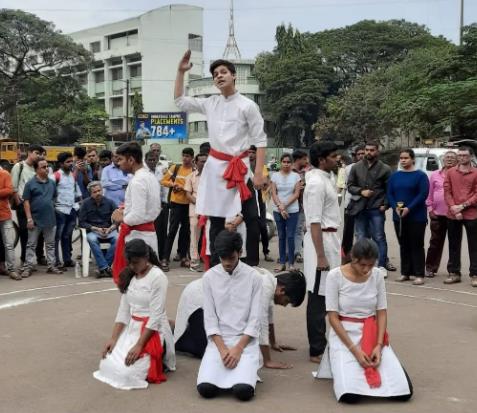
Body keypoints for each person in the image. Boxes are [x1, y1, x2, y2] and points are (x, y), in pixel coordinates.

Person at [175, 51, 266, 267]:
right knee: (215, 220)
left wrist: (260, 172)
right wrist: (180, 72)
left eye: (223, 72)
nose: (219, 76)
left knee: (252, 216)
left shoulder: (248, 105)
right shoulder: (210, 103)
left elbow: (260, 140)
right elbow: (179, 100)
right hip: (216, 169)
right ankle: (215, 266)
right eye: (215, 74)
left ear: (234, 76)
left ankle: (251, 263)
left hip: (240, 168)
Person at [317, 239, 413, 403]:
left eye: (370, 265)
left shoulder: (376, 275)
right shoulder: (335, 276)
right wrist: (354, 350)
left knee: (403, 392)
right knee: (351, 396)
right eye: (362, 265)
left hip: (371, 332)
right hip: (344, 335)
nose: (366, 269)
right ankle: (340, 366)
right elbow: (333, 317)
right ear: (352, 258)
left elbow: (381, 311)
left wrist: (379, 345)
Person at [174, 267, 306, 367]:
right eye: (287, 301)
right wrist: (268, 361)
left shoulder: (270, 282)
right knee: (210, 352)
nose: (284, 305)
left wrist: (274, 343)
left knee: (227, 345)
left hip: (213, 307)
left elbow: (268, 316)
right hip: (199, 300)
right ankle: (175, 331)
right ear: (281, 290)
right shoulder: (264, 286)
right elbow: (262, 323)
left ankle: (183, 328)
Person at [93, 239, 175, 390]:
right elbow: (123, 310)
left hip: (152, 331)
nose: (132, 266)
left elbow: (156, 316)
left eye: (135, 262)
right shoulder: (130, 275)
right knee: (106, 364)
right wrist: (113, 338)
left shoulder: (158, 277)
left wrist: (139, 345)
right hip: (132, 329)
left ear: (146, 257)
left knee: (126, 374)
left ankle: (164, 347)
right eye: (129, 263)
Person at [196, 230, 262, 401]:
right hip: (219, 342)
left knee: (243, 392)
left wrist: (238, 349)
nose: (226, 263)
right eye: (222, 258)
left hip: (245, 342)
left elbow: (255, 320)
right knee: (206, 389)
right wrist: (223, 349)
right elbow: (210, 319)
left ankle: (248, 371)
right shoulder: (209, 277)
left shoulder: (254, 277)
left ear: (240, 253)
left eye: (231, 258)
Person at [303, 141, 341, 364]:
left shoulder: (328, 178)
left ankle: (328, 341)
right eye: (333, 156)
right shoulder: (316, 183)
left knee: (331, 292)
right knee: (318, 295)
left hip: (331, 239)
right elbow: (314, 222)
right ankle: (316, 349)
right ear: (321, 160)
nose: (337, 159)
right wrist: (320, 256)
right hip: (321, 242)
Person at [111, 143, 161, 282]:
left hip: (137, 238)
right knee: (147, 281)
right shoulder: (150, 177)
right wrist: (126, 210)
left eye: (120, 159)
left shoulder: (138, 181)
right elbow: (153, 209)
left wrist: (122, 218)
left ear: (131, 160)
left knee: (136, 283)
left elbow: (137, 215)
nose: (118, 163)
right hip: (147, 235)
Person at [347, 142, 392, 277]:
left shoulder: (385, 168)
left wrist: (386, 204)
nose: (368, 152)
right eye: (367, 150)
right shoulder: (356, 167)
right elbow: (350, 186)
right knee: (361, 238)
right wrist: (361, 191)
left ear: (377, 152)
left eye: (372, 150)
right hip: (360, 208)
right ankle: (361, 265)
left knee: (379, 237)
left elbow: (389, 189)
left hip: (377, 208)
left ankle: (382, 265)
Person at [387, 149, 429, 285]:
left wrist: (409, 208)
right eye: (401, 158)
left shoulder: (420, 176)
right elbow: (390, 193)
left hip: (416, 216)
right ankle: (405, 272)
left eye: (406, 158)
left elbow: (422, 195)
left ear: (413, 159)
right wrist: (395, 207)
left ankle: (419, 274)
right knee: (403, 244)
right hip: (398, 216)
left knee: (416, 245)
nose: (403, 160)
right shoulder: (395, 176)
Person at [21, 159, 62, 277]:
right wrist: (29, 218)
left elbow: (54, 197)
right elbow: (26, 202)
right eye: (44, 167)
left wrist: (49, 206)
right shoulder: (30, 184)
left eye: (47, 166)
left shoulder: (52, 183)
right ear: (37, 169)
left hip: (50, 219)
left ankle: (51, 266)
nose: (47, 168)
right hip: (35, 219)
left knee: (50, 244)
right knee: (31, 244)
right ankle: (28, 267)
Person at [443, 146, 477, 287]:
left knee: (474, 246)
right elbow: (447, 191)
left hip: (472, 214)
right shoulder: (450, 172)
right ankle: (454, 273)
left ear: (471, 157)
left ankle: (475, 275)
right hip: (453, 214)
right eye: (460, 155)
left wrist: (462, 206)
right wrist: (453, 208)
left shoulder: (476, 173)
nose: (462, 157)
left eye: (464, 155)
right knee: (453, 245)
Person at [11, 144, 47, 266]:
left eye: (41, 154)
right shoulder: (19, 166)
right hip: (23, 205)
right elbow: (14, 187)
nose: (39, 156)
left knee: (40, 233)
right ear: (29, 152)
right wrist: (18, 203)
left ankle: (40, 256)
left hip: (38, 206)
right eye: (37, 153)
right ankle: (25, 259)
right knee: (25, 233)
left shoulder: (38, 168)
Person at [160, 147, 194, 271]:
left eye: (188, 156)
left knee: (186, 232)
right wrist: (173, 184)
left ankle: (184, 258)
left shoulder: (194, 170)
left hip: (189, 204)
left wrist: (184, 188)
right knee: (172, 230)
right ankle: (165, 259)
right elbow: (163, 181)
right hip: (176, 204)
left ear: (192, 158)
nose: (185, 158)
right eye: (183, 155)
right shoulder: (175, 168)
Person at [425, 151, 458, 278]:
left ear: (457, 161)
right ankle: (430, 268)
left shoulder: (458, 175)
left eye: (452, 157)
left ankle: (452, 270)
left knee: (454, 243)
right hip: (437, 214)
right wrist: (430, 209)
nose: (449, 159)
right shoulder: (434, 175)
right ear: (443, 160)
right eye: (447, 157)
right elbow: (429, 194)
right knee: (435, 243)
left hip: (453, 214)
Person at [78, 181, 118, 277]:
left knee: (118, 239)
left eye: (99, 191)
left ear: (102, 190)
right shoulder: (85, 204)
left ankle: (103, 268)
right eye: (94, 192)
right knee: (91, 239)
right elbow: (81, 222)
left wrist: (111, 229)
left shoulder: (110, 202)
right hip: (93, 231)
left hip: (108, 230)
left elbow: (118, 220)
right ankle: (106, 268)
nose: (98, 193)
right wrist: (95, 228)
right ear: (90, 193)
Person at [271, 153, 302, 272]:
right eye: (284, 162)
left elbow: (296, 194)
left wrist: (285, 205)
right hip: (278, 210)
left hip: (292, 211)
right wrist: (280, 206)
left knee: (290, 236)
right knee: (281, 236)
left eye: (288, 162)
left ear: (292, 163)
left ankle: (291, 264)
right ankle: (282, 262)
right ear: (280, 162)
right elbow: (274, 193)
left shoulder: (296, 176)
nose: (286, 164)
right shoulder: (275, 176)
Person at [53, 152, 80, 269]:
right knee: (57, 237)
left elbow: (75, 192)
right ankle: (56, 261)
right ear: (60, 164)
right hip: (60, 210)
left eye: (71, 161)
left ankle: (67, 260)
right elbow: (51, 194)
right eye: (67, 162)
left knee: (67, 236)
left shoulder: (72, 176)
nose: (70, 164)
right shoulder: (55, 176)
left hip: (72, 209)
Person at [143, 151, 169, 263]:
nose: (153, 162)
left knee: (162, 232)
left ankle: (162, 257)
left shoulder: (160, 172)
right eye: (150, 159)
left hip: (160, 206)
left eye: (155, 159)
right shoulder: (143, 173)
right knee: (150, 232)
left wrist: (164, 202)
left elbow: (164, 188)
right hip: (147, 207)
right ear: (146, 160)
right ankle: (150, 257)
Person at [249, 145, 273, 262]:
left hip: (260, 199)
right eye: (249, 152)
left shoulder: (261, 167)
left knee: (262, 226)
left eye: (253, 152)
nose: (251, 155)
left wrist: (263, 185)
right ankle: (250, 254)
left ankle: (266, 252)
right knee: (251, 228)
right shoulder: (244, 166)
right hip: (248, 199)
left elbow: (266, 183)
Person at [341, 145, 365, 263]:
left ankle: (363, 255)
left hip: (365, 204)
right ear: (355, 156)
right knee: (348, 232)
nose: (361, 155)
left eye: (363, 153)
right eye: (359, 153)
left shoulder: (370, 168)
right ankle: (346, 256)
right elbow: (347, 187)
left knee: (362, 232)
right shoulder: (348, 168)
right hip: (350, 204)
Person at [185, 152, 208, 270]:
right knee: (194, 236)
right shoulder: (191, 176)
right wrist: (200, 206)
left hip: (210, 210)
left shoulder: (213, 177)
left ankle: (211, 261)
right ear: (196, 162)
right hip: (195, 210)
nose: (204, 163)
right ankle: (194, 262)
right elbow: (188, 195)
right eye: (202, 161)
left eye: (206, 161)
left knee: (211, 235)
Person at [0, 167, 20, 280]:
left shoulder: (5, 174)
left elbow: (9, 190)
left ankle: (12, 269)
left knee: (8, 244)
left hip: (4, 215)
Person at [292, 149, 309, 264]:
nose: (306, 161)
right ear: (298, 159)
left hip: (301, 205)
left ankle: (297, 253)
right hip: (289, 204)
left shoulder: (306, 173)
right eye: (304, 158)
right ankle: (288, 253)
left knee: (298, 230)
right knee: (288, 230)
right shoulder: (288, 171)